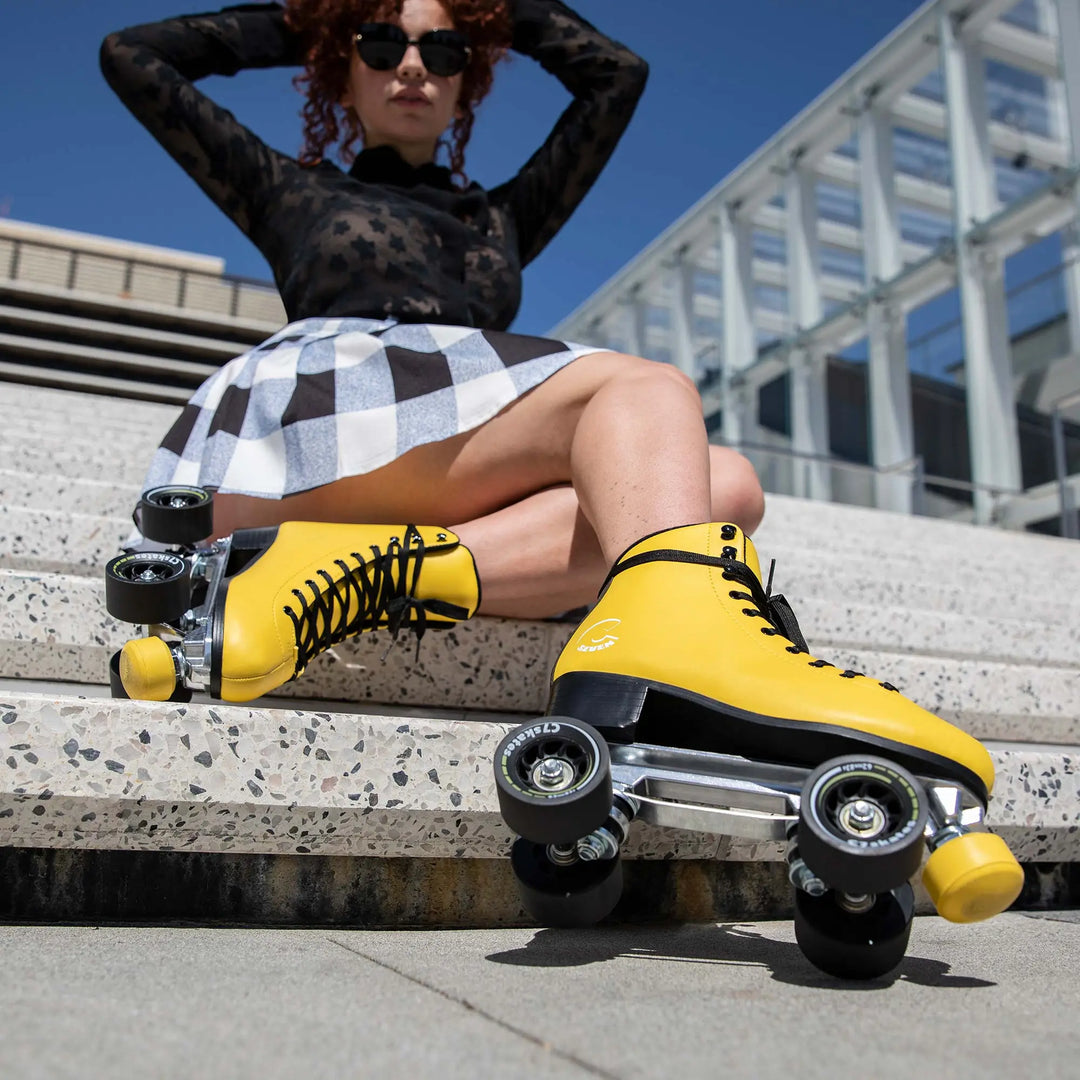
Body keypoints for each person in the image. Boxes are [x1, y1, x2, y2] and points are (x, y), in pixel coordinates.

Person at [102, 2, 1025, 925]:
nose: (413, 66)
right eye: (383, 46)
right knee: (648, 393)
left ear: (473, 74)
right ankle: (674, 646)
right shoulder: (287, 189)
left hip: (449, 444)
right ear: (343, 68)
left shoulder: (501, 215)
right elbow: (135, 57)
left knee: (727, 487)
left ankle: (347, 573)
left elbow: (614, 77)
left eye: (445, 48)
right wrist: (315, 22)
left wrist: (500, 14)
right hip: (310, 425)